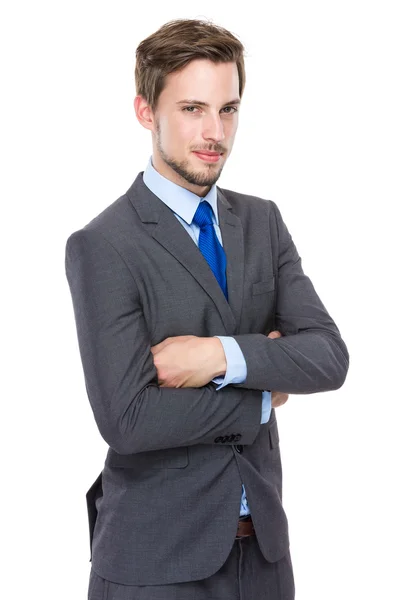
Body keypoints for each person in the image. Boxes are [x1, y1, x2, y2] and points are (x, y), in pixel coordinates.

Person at [65, 18, 349, 600]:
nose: (214, 132)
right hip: (155, 563)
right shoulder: (104, 244)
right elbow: (129, 419)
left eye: (228, 109)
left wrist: (217, 355)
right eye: (193, 108)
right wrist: (261, 396)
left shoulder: (263, 222)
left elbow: (327, 357)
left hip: (264, 557)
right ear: (147, 111)